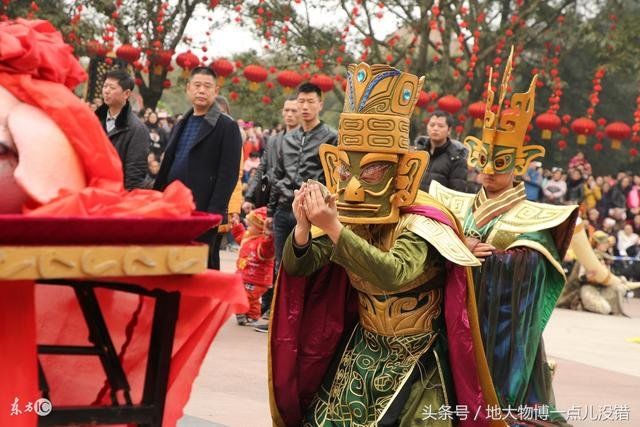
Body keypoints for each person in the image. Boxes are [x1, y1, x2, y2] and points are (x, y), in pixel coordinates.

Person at [268, 63, 501, 427]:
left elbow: (394, 273)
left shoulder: (420, 222)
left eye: (372, 171)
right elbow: (301, 267)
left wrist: (333, 227)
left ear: (404, 172)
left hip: (417, 354)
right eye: (346, 171)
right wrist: (303, 228)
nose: (354, 187)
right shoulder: (351, 216)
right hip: (363, 347)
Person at [429, 50, 578, 425]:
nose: (488, 172)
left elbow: (536, 264)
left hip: (504, 324)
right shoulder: (460, 203)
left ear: (518, 165)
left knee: (499, 398)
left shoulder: (531, 214)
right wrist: (457, 247)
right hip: (458, 310)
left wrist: (492, 258)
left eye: (500, 164)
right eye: (484, 162)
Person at [154, 66, 243, 269]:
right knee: (171, 262)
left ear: (216, 91)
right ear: (188, 88)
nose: (201, 90)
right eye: (197, 85)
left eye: (207, 86)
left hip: (201, 210)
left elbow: (228, 174)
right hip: (173, 206)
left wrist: (214, 212)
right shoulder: (181, 123)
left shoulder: (226, 126)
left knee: (199, 266)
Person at [265, 83, 337, 315]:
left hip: (313, 214)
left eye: (310, 102)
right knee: (280, 264)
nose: (305, 107)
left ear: (320, 105)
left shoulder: (331, 138)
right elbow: (275, 175)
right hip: (284, 211)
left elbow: (334, 177)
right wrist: (271, 210)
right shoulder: (286, 138)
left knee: (309, 265)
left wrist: (312, 196)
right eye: (301, 101)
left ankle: (304, 316)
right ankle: (278, 316)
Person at [95, 69, 150, 189]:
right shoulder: (94, 121)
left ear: (126, 94)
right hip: (91, 190)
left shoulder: (137, 130)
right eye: (105, 86)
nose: (106, 91)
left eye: (112, 88)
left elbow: (134, 177)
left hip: (116, 193)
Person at [232, 207, 275, 326]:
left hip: (257, 279)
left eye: (250, 225)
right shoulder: (249, 236)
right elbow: (240, 236)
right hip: (245, 275)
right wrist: (236, 225)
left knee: (246, 296)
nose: (248, 227)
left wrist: (269, 237)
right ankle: (253, 315)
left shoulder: (263, 242)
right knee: (252, 299)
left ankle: (242, 312)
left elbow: (267, 250)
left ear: (260, 228)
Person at [413, 110, 469, 192]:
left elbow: (457, 191)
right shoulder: (418, 152)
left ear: (449, 130)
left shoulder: (456, 158)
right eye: (432, 125)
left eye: (440, 126)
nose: (435, 129)